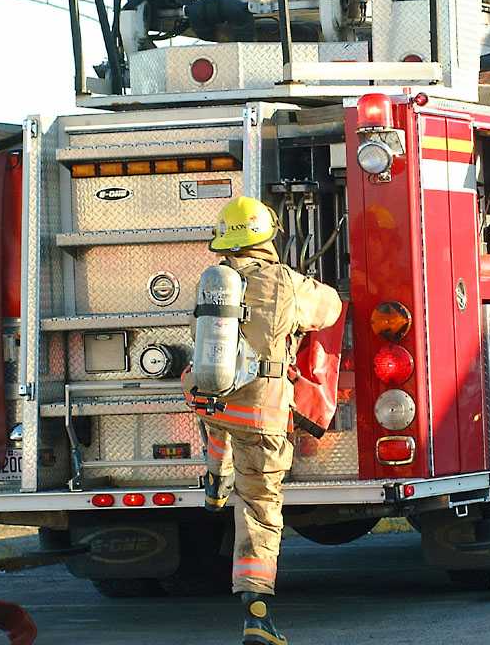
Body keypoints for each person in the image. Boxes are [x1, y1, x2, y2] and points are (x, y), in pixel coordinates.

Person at [183, 196, 342, 645]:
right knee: (259, 510)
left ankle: (216, 482)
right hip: (261, 412)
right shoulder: (285, 282)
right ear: (268, 234)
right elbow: (330, 307)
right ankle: (257, 615)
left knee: (219, 421)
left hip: (213, 400)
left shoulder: (214, 282)